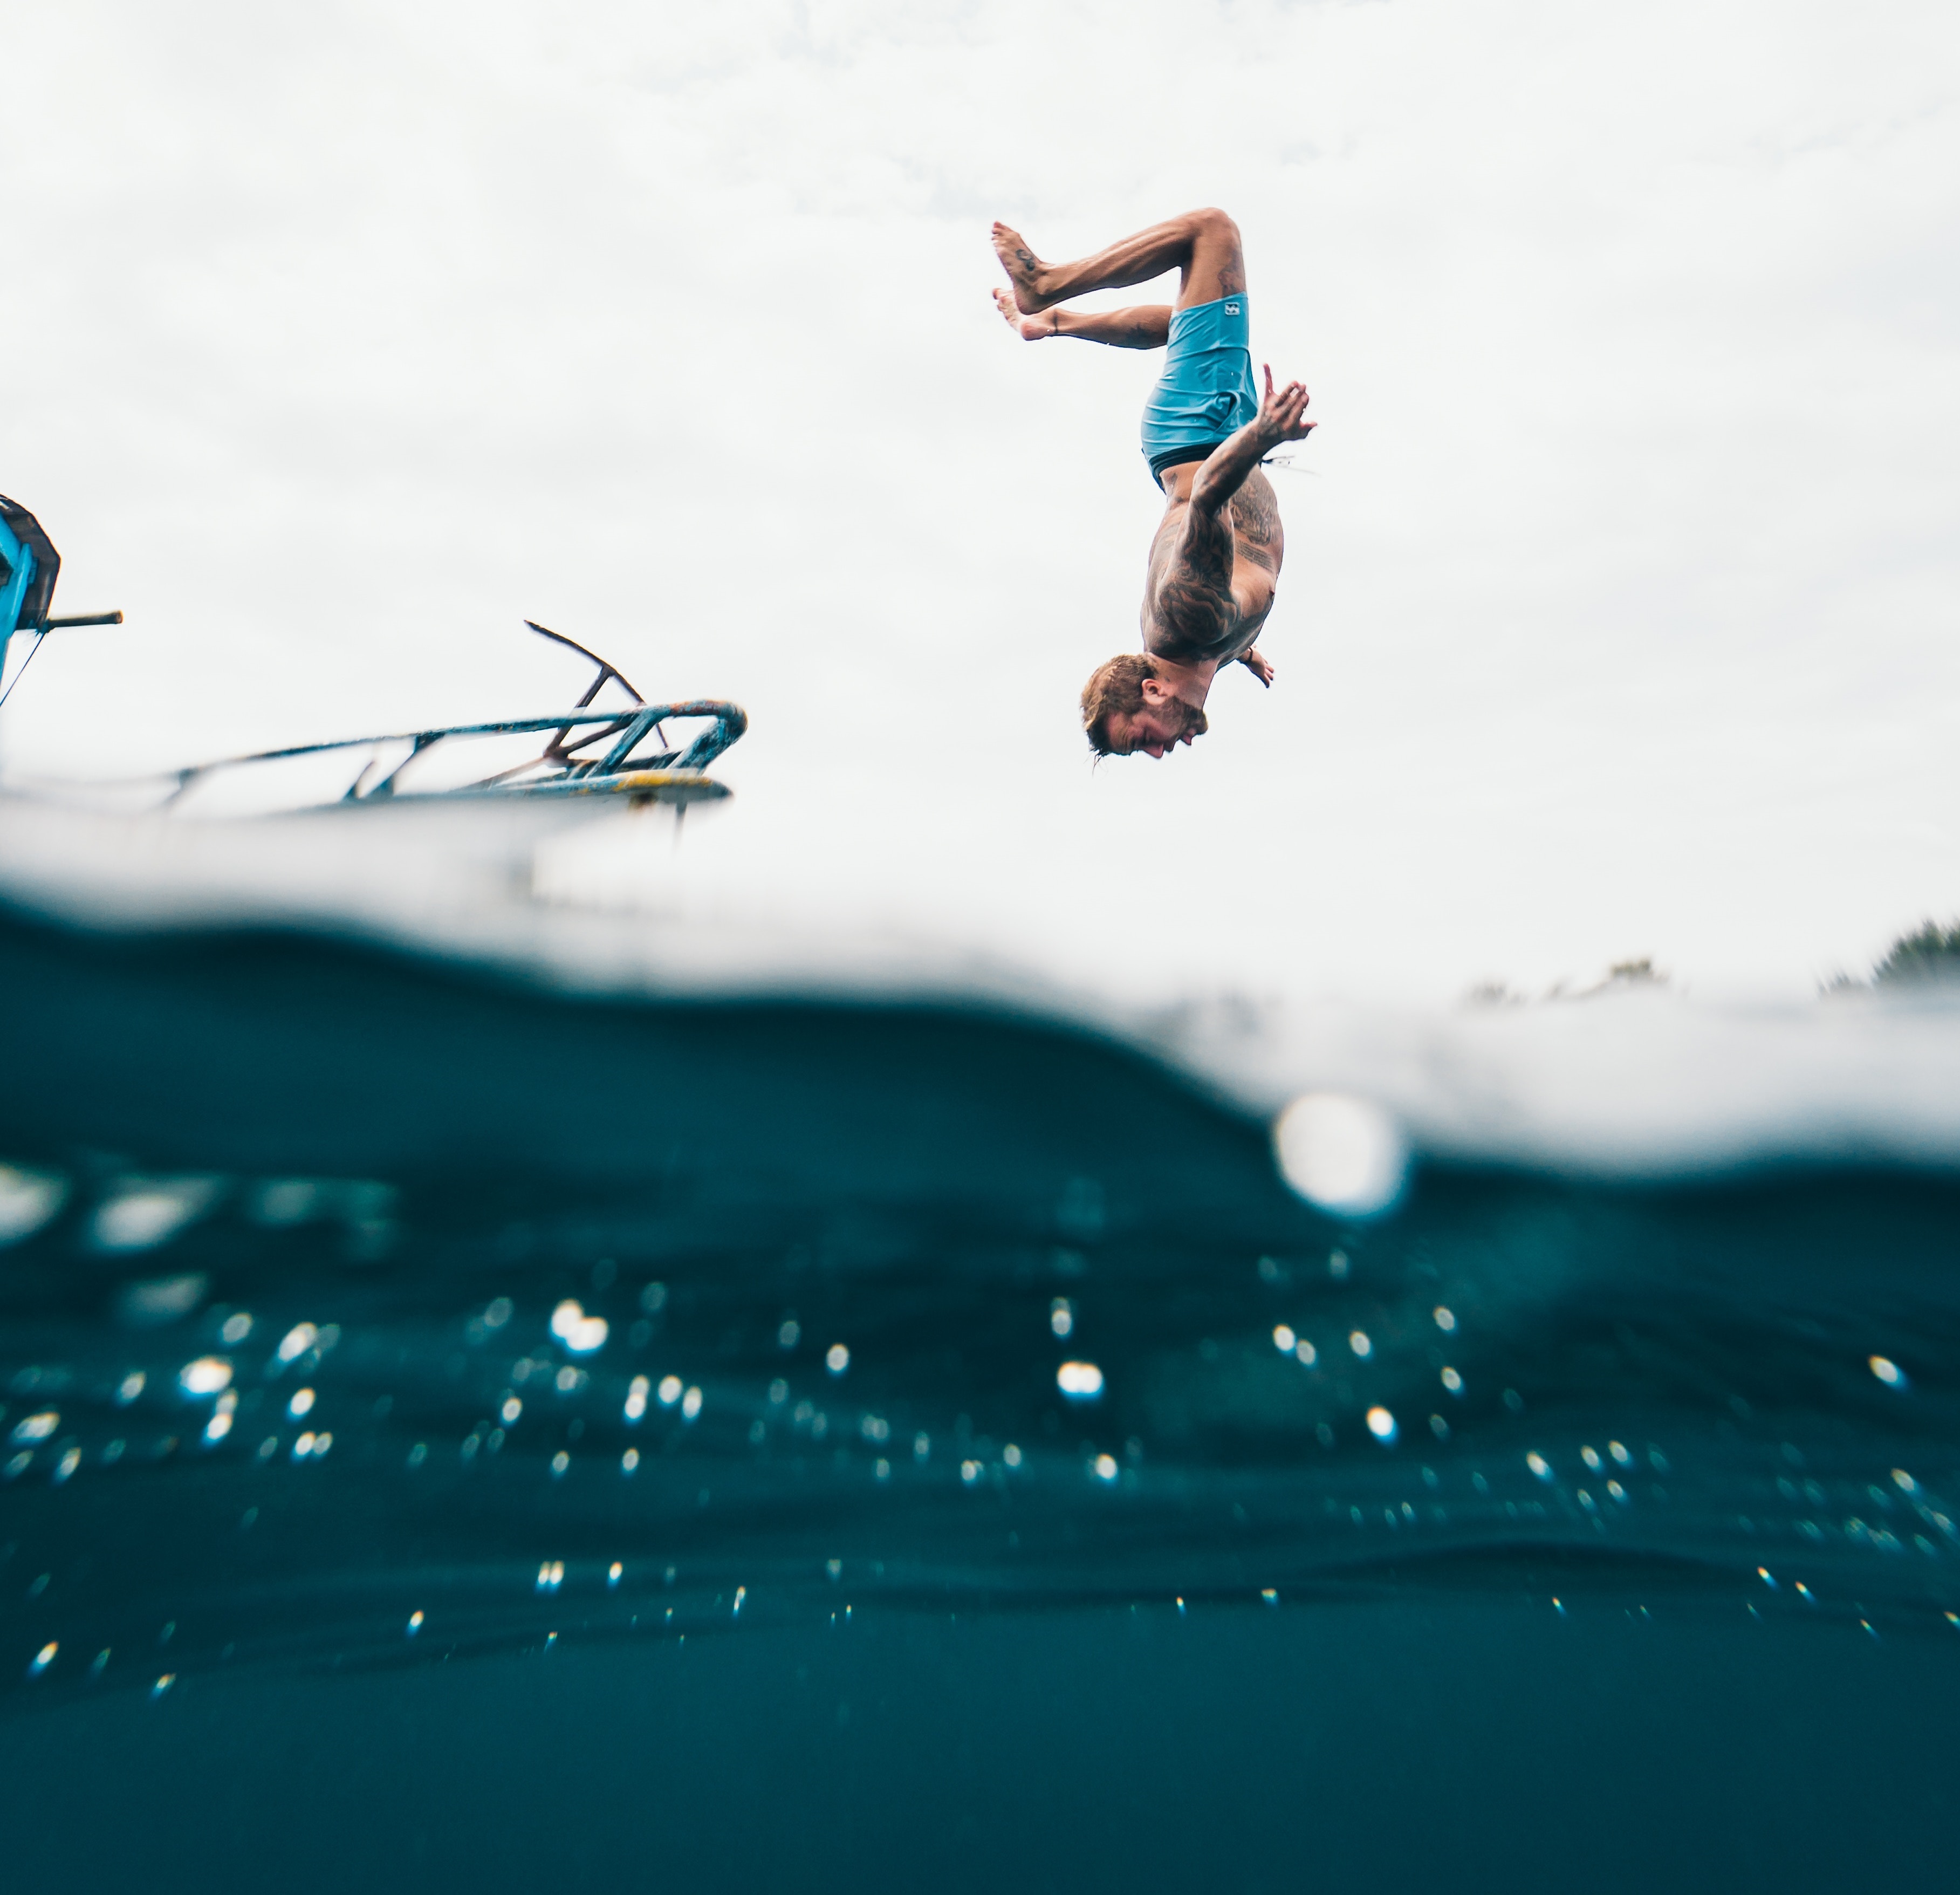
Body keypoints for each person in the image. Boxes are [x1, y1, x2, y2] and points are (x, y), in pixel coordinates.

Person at [991, 208, 1314, 758]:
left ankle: (1045, 286)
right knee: (1185, 322)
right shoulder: (1199, 645)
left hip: (1206, 430)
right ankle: (1051, 324)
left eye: (1142, 738)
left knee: (1211, 232)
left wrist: (1263, 435)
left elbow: (1211, 494)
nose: (1162, 751)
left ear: (1152, 690)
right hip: (1205, 434)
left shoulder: (1189, 621)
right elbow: (1217, 594)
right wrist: (1245, 650)